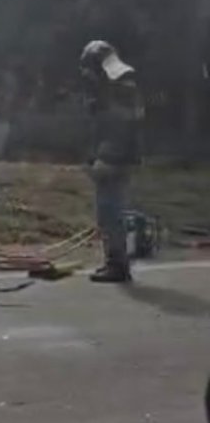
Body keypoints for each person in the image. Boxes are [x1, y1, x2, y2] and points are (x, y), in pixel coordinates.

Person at [79, 40, 145, 283]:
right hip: (117, 157)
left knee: (109, 211)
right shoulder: (118, 84)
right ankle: (115, 262)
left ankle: (116, 265)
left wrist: (105, 157)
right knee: (109, 210)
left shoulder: (117, 87)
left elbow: (118, 126)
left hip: (114, 159)